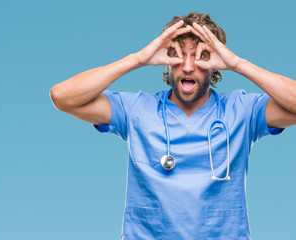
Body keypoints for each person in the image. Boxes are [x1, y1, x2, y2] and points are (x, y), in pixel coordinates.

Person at [50, 12, 296, 239]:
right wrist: (137, 59)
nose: (188, 67)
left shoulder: (242, 110)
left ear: (217, 65)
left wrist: (238, 63)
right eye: (178, 55)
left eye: (202, 56)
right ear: (164, 61)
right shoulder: (136, 109)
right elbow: (62, 97)